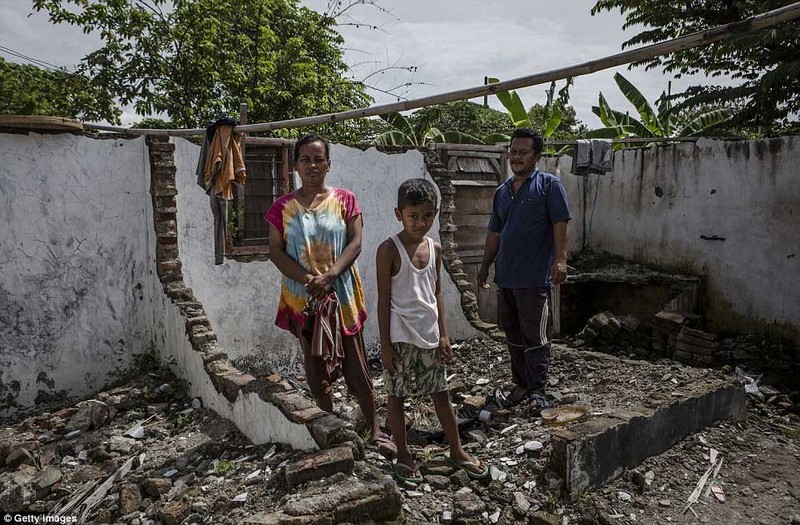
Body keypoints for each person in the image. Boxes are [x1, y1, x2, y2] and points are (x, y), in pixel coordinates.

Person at [264, 134, 396, 458]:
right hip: (303, 298)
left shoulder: (345, 200)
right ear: (295, 165)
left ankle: (374, 428)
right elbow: (275, 252)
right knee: (315, 367)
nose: (312, 165)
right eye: (305, 159)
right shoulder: (282, 207)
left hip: (342, 295)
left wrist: (332, 274)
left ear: (328, 164)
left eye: (318, 159)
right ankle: (330, 429)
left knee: (357, 365)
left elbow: (356, 242)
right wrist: (309, 278)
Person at [376, 178, 489, 483]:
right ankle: (402, 452)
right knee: (396, 397)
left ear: (436, 213)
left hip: (429, 337)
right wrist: (385, 346)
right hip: (400, 338)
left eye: (427, 216)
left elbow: (437, 292)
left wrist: (444, 334)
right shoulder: (389, 249)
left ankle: (456, 449)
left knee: (440, 394)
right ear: (399, 213)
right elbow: (383, 299)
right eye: (413, 216)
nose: (420, 223)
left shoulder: (435, 248)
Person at [477, 128, 571, 415]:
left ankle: (538, 391)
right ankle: (520, 385)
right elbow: (495, 232)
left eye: (523, 152)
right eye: (513, 152)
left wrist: (560, 259)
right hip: (507, 277)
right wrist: (484, 265)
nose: (516, 157)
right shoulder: (502, 192)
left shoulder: (549, 186)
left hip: (534, 279)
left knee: (537, 337)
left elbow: (559, 223)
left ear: (536, 156)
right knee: (513, 335)